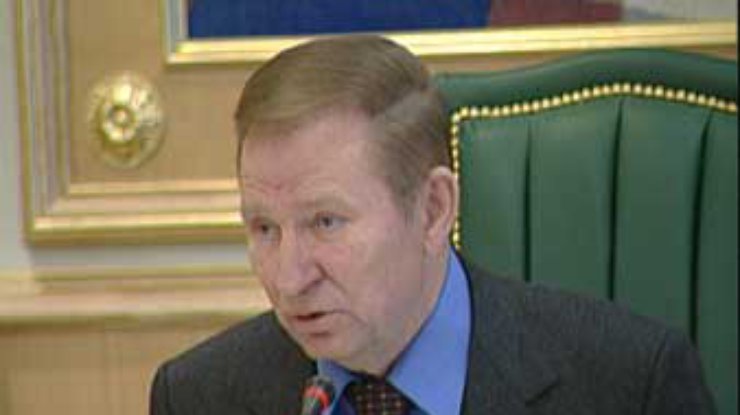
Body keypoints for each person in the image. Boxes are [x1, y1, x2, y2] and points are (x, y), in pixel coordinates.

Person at [149, 35, 715, 414]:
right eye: (264, 229)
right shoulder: (198, 398)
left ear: (433, 209)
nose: (289, 279)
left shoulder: (628, 385)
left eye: (326, 222)